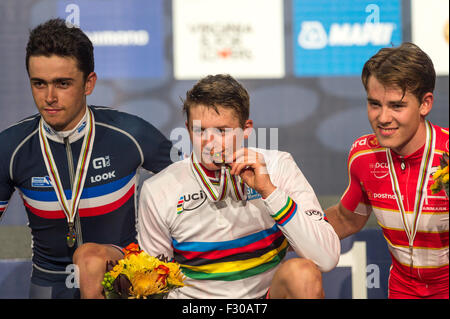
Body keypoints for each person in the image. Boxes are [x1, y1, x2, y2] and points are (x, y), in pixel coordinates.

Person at [0, 18, 174, 299]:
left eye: (63, 83)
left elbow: (191, 190)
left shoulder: (130, 133)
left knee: (90, 257)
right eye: (39, 84)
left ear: (89, 83)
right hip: (49, 282)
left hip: (121, 278)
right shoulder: (12, 147)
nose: (50, 97)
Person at [137, 74, 340, 299]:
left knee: (302, 274)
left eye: (222, 131)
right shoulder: (158, 189)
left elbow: (326, 258)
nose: (209, 142)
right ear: (187, 129)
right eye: (200, 131)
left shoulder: (278, 166)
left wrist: (269, 192)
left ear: (246, 128)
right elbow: (155, 286)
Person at [325, 42, 449, 299]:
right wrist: (278, 235)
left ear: (425, 104)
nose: (382, 117)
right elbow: (347, 219)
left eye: (396, 106)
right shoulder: (364, 155)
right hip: (401, 291)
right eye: (374, 104)